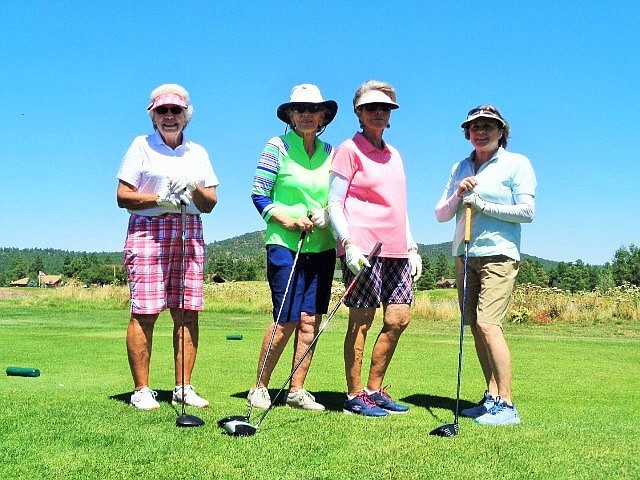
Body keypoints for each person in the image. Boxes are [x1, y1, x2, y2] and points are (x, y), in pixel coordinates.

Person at [116, 84, 219, 410]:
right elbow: (122, 195)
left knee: (187, 313)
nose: (170, 116)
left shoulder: (197, 153)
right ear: (153, 116)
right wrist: (160, 198)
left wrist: (192, 188)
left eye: (176, 111)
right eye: (163, 111)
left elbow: (211, 202)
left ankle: (183, 387)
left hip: (188, 229)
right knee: (145, 312)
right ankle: (142, 390)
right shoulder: (140, 146)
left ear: (186, 116)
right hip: (148, 229)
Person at [435, 104, 536, 425]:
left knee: (489, 324)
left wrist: (482, 204)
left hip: (499, 254)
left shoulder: (516, 163)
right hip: (465, 254)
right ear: (468, 132)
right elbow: (441, 214)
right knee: (476, 325)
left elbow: (527, 212)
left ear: (501, 131)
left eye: (488, 126)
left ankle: (507, 404)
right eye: (475, 127)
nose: (481, 131)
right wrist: (459, 196)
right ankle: (491, 396)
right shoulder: (461, 167)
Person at [328, 80, 422, 417]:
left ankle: (374, 389)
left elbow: (401, 205)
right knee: (361, 322)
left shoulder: (395, 154)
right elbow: (334, 203)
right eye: (371, 108)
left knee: (399, 319)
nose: (378, 113)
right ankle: (354, 396)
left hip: (397, 249)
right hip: (364, 250)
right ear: (359, 112)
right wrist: (348, 245)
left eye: (384, 108)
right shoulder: (348, 150)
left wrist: (411, 245)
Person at [247, 84, 338, 411]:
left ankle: (297, 390)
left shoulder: (332, 153)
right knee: (285, 318)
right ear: (290, 115)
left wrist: (326, 215)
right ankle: (260, 387)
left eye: (313, 110)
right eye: (299, 109)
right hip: (285, 243)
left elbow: (338, 198)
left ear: (323, 115)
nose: (307, 115)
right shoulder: (278, 146)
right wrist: (286, 219)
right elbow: (259, 194)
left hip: (322, 244)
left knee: (310, 319)